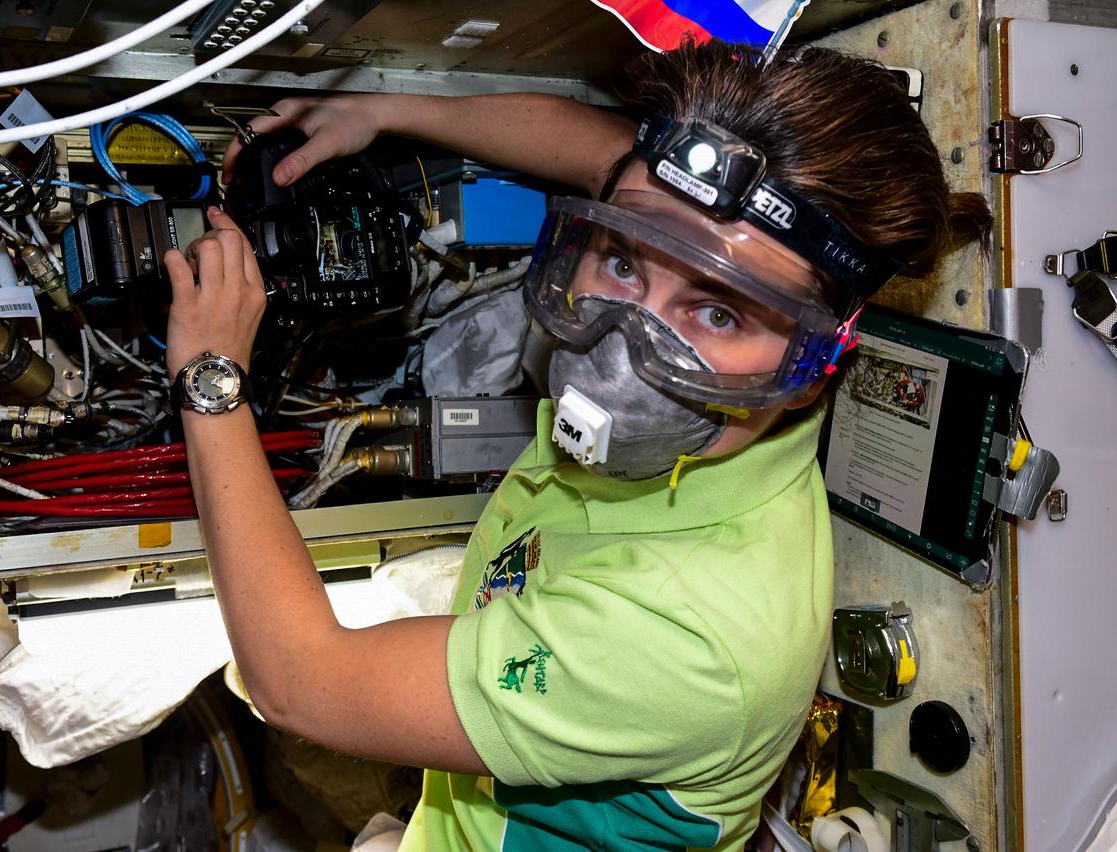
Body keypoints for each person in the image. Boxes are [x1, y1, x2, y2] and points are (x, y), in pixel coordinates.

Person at [163, 40, 991, 850]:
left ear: (818, 363)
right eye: (624, 262)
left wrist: (211, 377)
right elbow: (593, 153)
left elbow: (300, 683)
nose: (625, 342)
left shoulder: (684, 636)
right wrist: (380, 111)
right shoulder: (722, 250)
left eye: (719, 313)